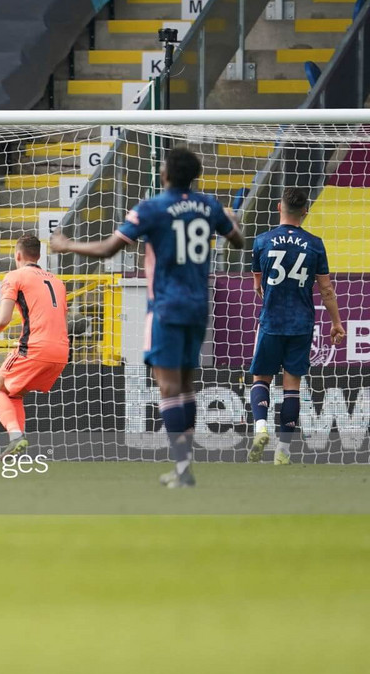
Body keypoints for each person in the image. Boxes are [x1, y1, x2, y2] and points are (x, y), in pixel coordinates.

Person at [50, 147, 245, 487]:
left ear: (166, 173)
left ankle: (183, 468)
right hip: (198, 306)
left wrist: (68, 246)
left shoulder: (152, 208)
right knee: (186, 386)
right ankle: (184, 466)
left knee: (168, 387)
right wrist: (234, 219)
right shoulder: (210, 206)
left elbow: (109, 249)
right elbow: (238, 241)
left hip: (166, 307)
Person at [247, 185, 344, 464]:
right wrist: (336, 322)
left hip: (272, 321)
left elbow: (258, 286)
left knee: (261, 378)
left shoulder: (262, 241)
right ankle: (283, 451)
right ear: (305, 211)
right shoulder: (315, 244)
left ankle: (261, 428)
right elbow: (326, 290)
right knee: (292, 386)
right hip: (302, 323)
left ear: (279, 207)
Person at [0, 233, 69, 456]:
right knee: (14, 394)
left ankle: (16, 436)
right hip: (61, 352)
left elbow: (2, 320)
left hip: (34, 348)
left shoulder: (15, 276)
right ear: (39, 256)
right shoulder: (58, 282)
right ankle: (17, 444)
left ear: (18, 255)